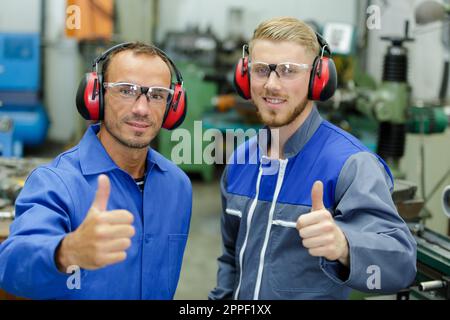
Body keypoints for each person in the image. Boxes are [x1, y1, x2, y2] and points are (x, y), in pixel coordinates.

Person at [209, 17, 417, 300]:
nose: (271, 84)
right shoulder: (240, 161)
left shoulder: (351, 165)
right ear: (244, 77)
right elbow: (231, 260)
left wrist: (344, 246)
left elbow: (402, 266)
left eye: (288, 71)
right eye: (261, 70)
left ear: (318, 79)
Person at [0, 42, 192, 299]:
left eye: (157, 95)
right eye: (126, 90)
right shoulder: (56, 183)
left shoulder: (177, 186)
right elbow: (11, 265)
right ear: (95, 96)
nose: (142, 109)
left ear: (173, 107)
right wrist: (66, 252)